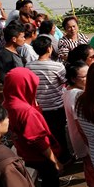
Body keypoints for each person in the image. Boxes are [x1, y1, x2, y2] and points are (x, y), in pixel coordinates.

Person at [3, 67, 81, 187]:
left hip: (26, 152)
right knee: (50, 181)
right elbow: (40, 142)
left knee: (47, 182)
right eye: (32, 85)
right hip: (41, 156)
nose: (35, 88)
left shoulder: (9, 102)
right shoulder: (26, 111)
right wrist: (55, 161)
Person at [62, 61, 94, 187]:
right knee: (92, 169)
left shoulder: (67, 91)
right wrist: (93, 144)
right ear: (74, 78)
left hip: (78, 139)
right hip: (85, 140)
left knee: (89, 167)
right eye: (85, 76)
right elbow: (80, 125)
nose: (90, 79)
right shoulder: (78, 96)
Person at [26, 36, 72, 165]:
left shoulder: (28, 66)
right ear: (49, 48)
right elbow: (65, 83)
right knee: (60, 134)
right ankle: (64, 158)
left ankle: (51, 156)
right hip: (56, 106)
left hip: (40, 107)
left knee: (46, 134)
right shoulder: (57, 66)